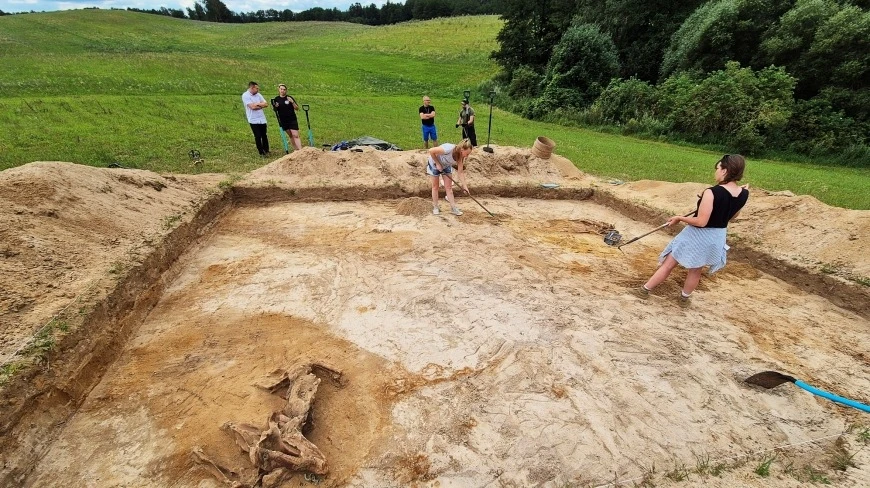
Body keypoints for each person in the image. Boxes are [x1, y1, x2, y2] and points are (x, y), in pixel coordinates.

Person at [632, 154, 749, 307]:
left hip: (698, 235)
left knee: (669, 263)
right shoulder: (744, 193)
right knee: (696, 270)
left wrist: (680, 218)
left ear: (725, 170)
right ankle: (684, 299)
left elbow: (701, 222)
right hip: (717, 236)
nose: (715, 171)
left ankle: (644, 291)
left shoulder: (712, 192)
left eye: (718, 168)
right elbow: (732, 216)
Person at [427, 139, 473, 216]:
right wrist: (438, 163)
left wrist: (465, 187)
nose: (467, 156)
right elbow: (431, 150)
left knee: (448, 187)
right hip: (434, 163)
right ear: (462, 150)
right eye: (467, 153)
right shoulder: (448, 149)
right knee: (435, 186)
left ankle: (453, 208)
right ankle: (435, 207)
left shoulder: (460, 156)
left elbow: (460, 172)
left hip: (446, 166)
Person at [271, 84, 303, 151]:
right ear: (279, 90)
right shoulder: (276, 99)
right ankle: (295, 150)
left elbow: (297, 108)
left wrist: (292, 102)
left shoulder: (289, 98)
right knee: (290, 135)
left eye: (284, 89)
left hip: (292, 119)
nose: (282, 91)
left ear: (286, 90)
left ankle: (300, 150)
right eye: (281, 89)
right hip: (283, 120)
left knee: (295, 135)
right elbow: (275, 110)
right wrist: (275, 107)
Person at [242, 81, 270, 157]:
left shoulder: (258, 95)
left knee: (264, 135)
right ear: (252, 88)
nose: (258, 90)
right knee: (258, 136)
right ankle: (261, 152)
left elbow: (266, 104)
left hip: (262, 118)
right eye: (256, 88)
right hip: (253, 119)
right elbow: (252, 107)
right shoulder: (245, 95)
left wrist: (257, 104)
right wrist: (261, 105)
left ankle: (266, 149)